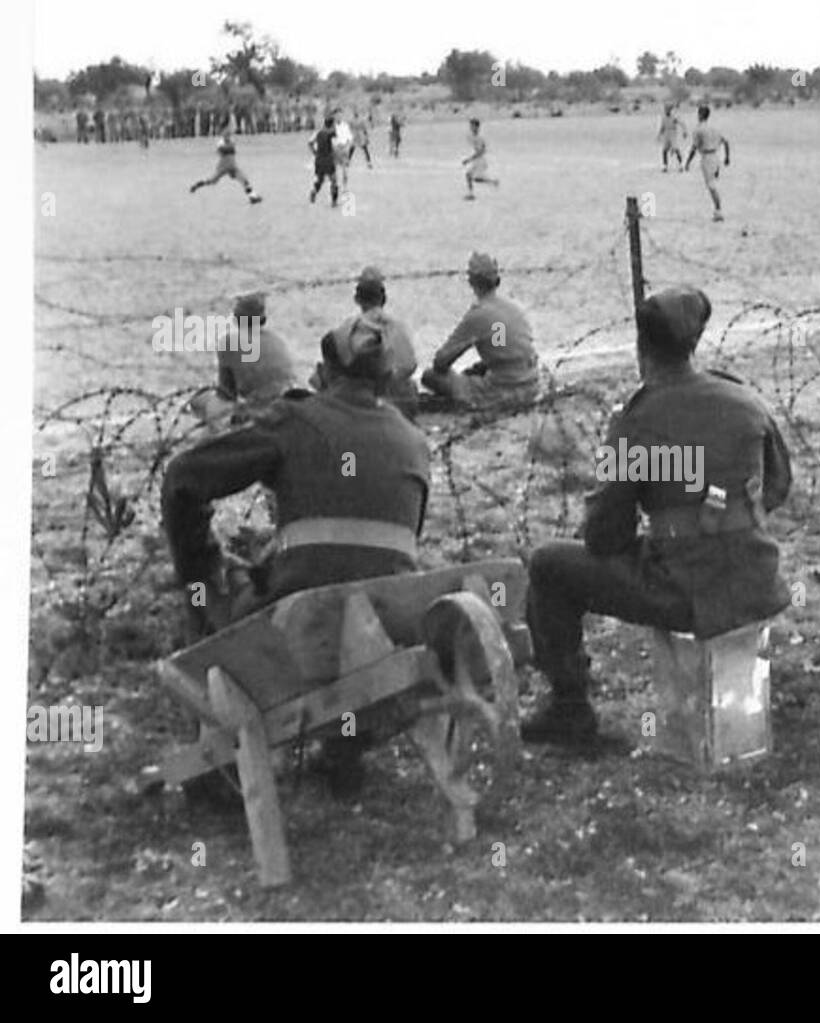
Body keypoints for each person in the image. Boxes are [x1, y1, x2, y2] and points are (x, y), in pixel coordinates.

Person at [162, 313, 430, 796]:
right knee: (352, 578)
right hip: (381, 637)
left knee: (209, 588)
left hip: (295, 639)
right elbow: (386, 543)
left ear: (322, 375)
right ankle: (345, 748)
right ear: (389, 379)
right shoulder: (414, 443)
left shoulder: (296, 420)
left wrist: (199, 564)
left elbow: (184, 479)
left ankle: (213, 775)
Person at [521, 285, 793, 747]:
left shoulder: (636, 422)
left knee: (548, 564)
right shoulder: (743, 399)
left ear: (641, 348)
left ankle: (570, 707)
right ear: (694, 343)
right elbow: (778, 487)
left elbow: (606, 536)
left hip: (686, 592)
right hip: (756, 580)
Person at [420, 252, 540, 410]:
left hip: (503, 391)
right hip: (530, 385)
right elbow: (501, 346)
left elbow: (441, 361)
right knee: (477, 370)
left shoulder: (478, 315)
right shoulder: (512, 308)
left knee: (430, 376)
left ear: (471, 281)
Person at [342, 267, 419, 417]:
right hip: (405, 401)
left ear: (357, 299)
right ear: (384, 299)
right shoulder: (399, 326)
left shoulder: (351, 327)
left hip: (375, 403)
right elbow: (410, 365)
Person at [684, 104, 731, 222]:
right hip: (715, 156)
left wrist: (688, 162)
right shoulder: (714, 128)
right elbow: (726, 142)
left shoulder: (698, 130)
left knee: (711, 186)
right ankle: (717, 209)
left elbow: (694, 148)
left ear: (699, 115)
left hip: (707, 157)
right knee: (712, 184)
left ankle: (718, 211)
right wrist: (727, 157)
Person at [189, 130, 263, 204]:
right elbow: (222, 150)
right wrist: (227, 148)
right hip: (223, 166)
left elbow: (231, 150)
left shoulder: (231, 141)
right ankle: (196, 185)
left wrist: (227, 148)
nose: (227, 137)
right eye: (226, 135)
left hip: (233, 166)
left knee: (244, 180)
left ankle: (252, 197)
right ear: (223, 136)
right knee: (211, 181)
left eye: (228, 135)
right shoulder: (220, 143)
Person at [463, 118, 499, 199]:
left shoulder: (481, 137)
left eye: (472, 126)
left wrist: (469, 159)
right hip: (476, 159)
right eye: (470, 126)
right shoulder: (471, 136)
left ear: (477, 127)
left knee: (476, 178)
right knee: (468, 175)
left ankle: (493, 182)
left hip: (481, 160)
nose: (471, 128)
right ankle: (471, 194)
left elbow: (481, 151)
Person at [309, 116, 340, 207]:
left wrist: (315, 153)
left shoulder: (318, 132)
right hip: (328, 160)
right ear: (332, 124)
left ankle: (314, 191)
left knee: (320, 179)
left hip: (319, 159)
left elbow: (310, 143)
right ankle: (334, 202)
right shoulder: (332, 134)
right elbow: (335, 148)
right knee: (333, 180)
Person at [657, 102, 684, 172]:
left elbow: (681, 123)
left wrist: (685, 131)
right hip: (666, 134)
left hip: (672, 134)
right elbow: (662, 127)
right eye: (665, 109)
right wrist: (659, 135)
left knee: (676, 149)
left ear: (670, 110)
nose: (666, 110)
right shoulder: (663, 117)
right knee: (664, 150)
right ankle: (665, 166)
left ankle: (680, 164)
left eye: (668, 109)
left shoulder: (674, 117)